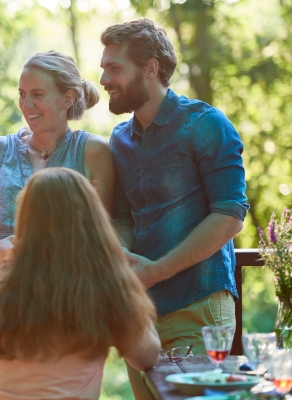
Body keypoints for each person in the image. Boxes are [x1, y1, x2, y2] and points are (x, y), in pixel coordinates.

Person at [99, 18, 249, 397]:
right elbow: (122, 218)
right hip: (140, 316)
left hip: (197, 308)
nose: (103, 80)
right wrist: (120, 260)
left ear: (150, 69)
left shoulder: (206, 124)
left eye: (114, 68)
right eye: (103, 68)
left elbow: (230, 215)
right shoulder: (119, 140)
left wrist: (158, 270)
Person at [0, 167, 160, 400]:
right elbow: (147, 357)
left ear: (26, 219)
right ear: (91, 220)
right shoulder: (104, 287)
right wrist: (123, 280)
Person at [0, 50, 115, 294]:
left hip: (67, 298)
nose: (26, 105)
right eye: (22, 95)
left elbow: (103, 236)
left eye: (38, 95)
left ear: (68, 98)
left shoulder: (93, 151)